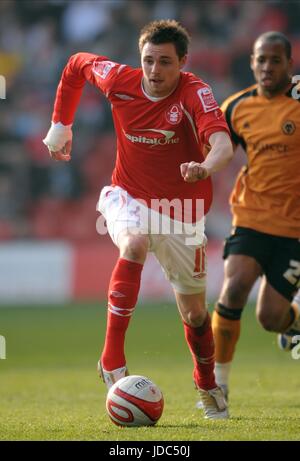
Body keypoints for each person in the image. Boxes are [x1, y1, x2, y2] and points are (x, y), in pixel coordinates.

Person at [43, 19, 233, 419]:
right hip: (126, 195)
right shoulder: (119, 80)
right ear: (139, 58)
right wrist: (61, 125)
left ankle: (206, 383)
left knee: (196, 315)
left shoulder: (195, 91)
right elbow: (77, 64)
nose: (154, 70)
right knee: (133, 244)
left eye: (165, 62)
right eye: (148, 60)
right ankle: (111, 357)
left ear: (183, 61)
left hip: (183, 215)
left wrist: (204, 166)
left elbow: (221, 143)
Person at [210, 31, 300, 403]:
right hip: (251, 216)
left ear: (288, 64)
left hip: (294, 229)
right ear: (252, 62)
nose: (267, 67)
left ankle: (293, 322)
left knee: (269, 317)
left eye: (275, 60)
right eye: (261, 60)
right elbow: (218, 148)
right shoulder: (235, 107)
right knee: (233, 287)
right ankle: (216, 385)